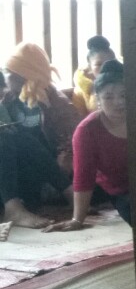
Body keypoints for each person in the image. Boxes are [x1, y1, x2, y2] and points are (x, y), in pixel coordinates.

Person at [43, 60, 132, 230]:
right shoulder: (87, 131)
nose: (119, 102)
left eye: (124, 95)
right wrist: (78, 220)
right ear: (97, 99)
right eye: (109, 96)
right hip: (120, 191)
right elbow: (84, 176)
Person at [0, 43, 78, 229]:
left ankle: (70, 192)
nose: (6, 79)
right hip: (15, 179)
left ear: (22, 76)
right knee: (8, 137)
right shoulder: (9, 99)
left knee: (17, 137)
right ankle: (67, 192)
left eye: (9, 72)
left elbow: (70, 145)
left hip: (33, 175)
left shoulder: (55, 103)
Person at [72, 35, 116, 114]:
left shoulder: (124, 83)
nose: (105, 67)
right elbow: (78, 118)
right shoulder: (81, 90)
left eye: (110, 63)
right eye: (99, 64)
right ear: (90, 67)